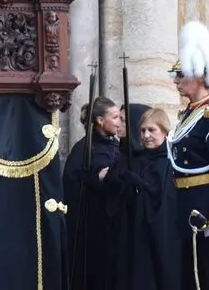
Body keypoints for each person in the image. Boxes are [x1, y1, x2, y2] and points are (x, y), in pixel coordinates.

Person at [167, 21, 209, 290]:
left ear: (198, 74)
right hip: (187, 207)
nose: (175, 81)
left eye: (180, 74)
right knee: (191, 279)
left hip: (208, 209)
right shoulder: (189, 115)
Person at [108, 107, 180, 290]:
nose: (146, 135)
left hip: (160, 232)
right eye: (142, 131)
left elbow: (161, 197)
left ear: (164, 131)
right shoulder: (139, 159)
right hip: (137, 229)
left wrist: (139, 184)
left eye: (152, 130)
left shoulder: (168, 161)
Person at [64, 96, 124, 290]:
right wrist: (96, 178)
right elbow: (73, 182)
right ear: (100, 120)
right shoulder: (83, 149)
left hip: (114, 221)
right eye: (115, 117)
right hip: (93, 224)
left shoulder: (116, 145)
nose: (119, 122)